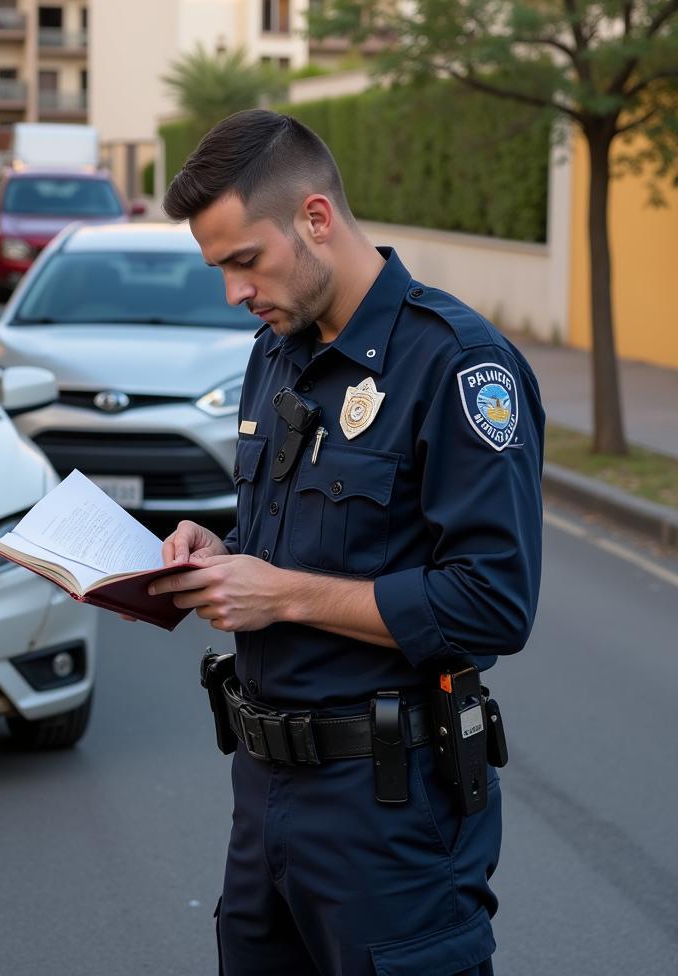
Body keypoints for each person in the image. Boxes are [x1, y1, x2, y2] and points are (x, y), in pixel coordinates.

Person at [147, 109, 544, 975]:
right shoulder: (278, 351)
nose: (233, 291)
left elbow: (493, 603)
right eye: (218, 269)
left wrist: (282, 593)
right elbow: (285, 537)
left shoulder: (458, 364)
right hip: (263, 804)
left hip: (390, 817)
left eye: (244, 261)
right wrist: (216, 551)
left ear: (315, 219)